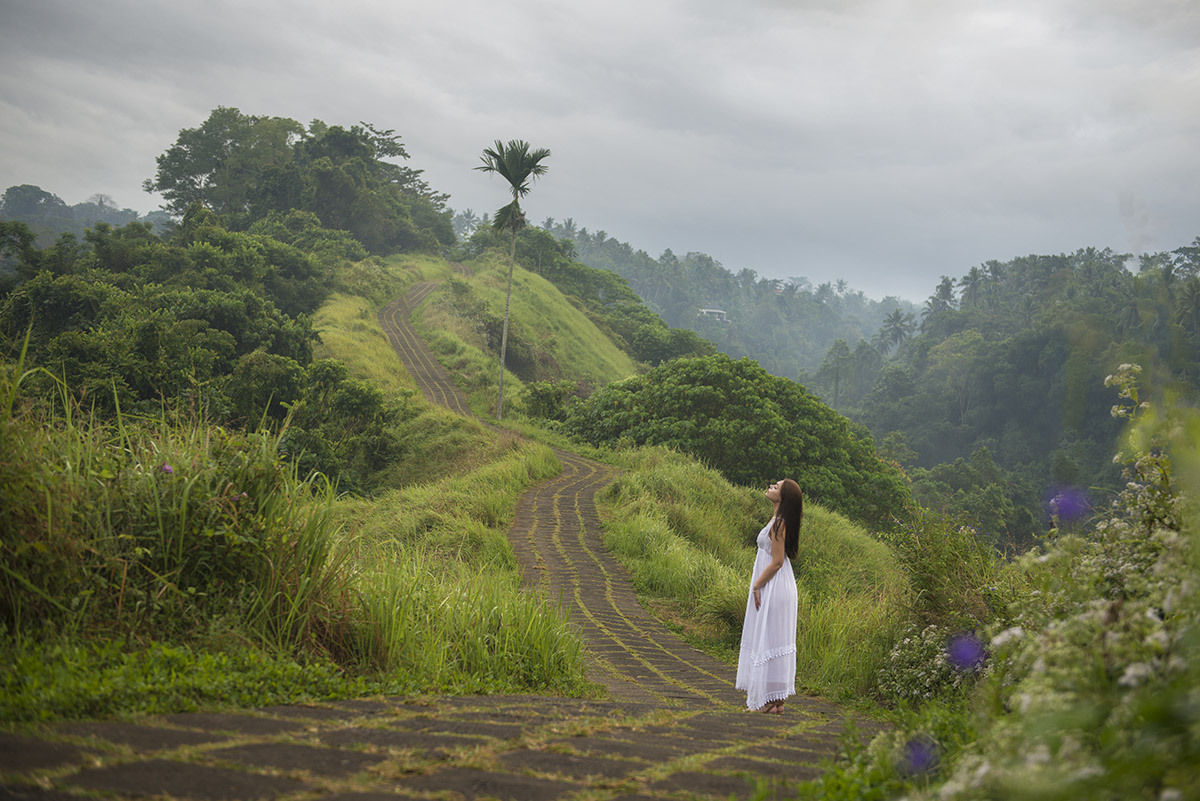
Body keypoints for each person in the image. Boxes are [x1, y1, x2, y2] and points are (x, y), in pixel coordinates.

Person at [735, 478, 801, 713]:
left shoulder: (780, 524)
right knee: (772, 637)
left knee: (768, 637)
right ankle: (774, 702)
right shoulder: (777, 520)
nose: (771, 486)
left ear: (782, 498)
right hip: (775, 584)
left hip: (774, 585)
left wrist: (756, 585)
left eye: (777, 486)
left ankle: (767, 701)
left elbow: (776, 562)